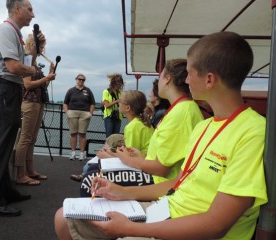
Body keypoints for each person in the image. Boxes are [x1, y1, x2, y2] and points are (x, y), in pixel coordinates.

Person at [54, 32, 268, 240]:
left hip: (189, 227)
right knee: (63, 217)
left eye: (190, 73)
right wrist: (120, 192)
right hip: (167, 209)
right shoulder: (205, 127)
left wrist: (129, 229)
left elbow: (215, 225)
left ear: (209, 80)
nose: (186, 79)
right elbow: (178, 182)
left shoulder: (252, 133)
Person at [0, 0, 50, 217]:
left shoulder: (15, 35)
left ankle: (6, 191)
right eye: (30, 9)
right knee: (0, 145)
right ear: (17, 9)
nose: (33, 14)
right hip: (4, 89)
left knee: (6, 144)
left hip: (10, 90)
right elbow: (13, 67)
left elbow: (23, 64)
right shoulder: (5, 30)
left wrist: (34, 50)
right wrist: (32, 68)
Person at [117, 59, 204, 185]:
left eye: (161, 76)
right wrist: (142, 156)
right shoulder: (182, 109)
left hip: (160, 181)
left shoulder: (182, 113)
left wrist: (126, 159)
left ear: (167, 78)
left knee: (90, 178)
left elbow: (161, 169)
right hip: (158, 177)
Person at [14, 34, 55, 186]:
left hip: (38, 102)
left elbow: (43, 87)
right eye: (41, 46)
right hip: (29, 103)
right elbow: (27, 84)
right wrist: (46, 78)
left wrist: (48, 77)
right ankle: (20, 174)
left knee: (32, 139)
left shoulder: (35, 63)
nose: (43, 49)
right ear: (33, 45)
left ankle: (30, 171)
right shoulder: (26, 60)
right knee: (25, 139)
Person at [63, 74, 95, 161]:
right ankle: (73, 153)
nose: (81, 81)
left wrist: (90, 114)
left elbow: (92, 103)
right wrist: (67, 112)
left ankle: (81, 153)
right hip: (72, 113)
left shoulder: (88, 91)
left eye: (83, 80)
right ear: (76, 80)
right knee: (73, 134)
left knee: (82, 134)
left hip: (84, 114)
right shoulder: (71, 90)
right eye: (79, 79)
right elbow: (65, 103)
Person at [102, 73, 124, 137]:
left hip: (118, 117)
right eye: (118, 84)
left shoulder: (120, 93)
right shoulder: (106, 92)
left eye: (120, 84)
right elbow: (107, 105)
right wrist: (117, 101)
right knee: (109, 137)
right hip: (109, 117)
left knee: (116, 137)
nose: (120, 86)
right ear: (114, 84)